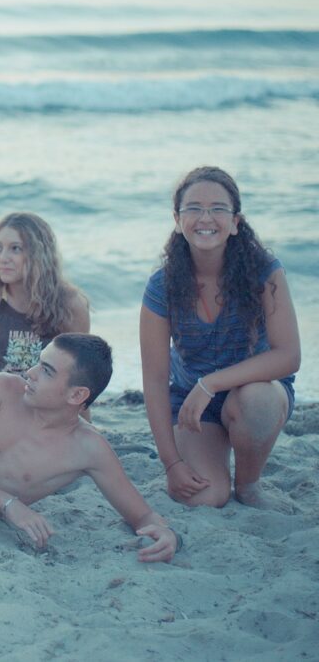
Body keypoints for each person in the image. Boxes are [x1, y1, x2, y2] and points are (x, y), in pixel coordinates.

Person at [140, 166, 299, 510]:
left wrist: (210, 383)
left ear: (236, 221)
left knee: (257, 400)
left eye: (218, 208)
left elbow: (288, 356)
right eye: (193, 208)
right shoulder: (162, 285)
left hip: (255, 395)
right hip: (194, 408)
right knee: (206, 496)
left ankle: (248, 484)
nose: (205, 218)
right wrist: (172, 464)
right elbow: (154, 381)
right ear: (178, 219)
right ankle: (212, 460)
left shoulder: (264, 271)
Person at [0, 333, 178, 563]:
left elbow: (142, 515)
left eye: (46, 370)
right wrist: (8, 504)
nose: (30, 373)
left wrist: (165, 534)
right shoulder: (3, 389)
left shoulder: (88, 448)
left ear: (76, 394)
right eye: (39, 363)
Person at [0, 212, 89, 411]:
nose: (2, 258)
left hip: (45, 411)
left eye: (15, 249)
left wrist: (83, 429)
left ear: (38, 254)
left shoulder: (71, 304)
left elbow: (78, 376)